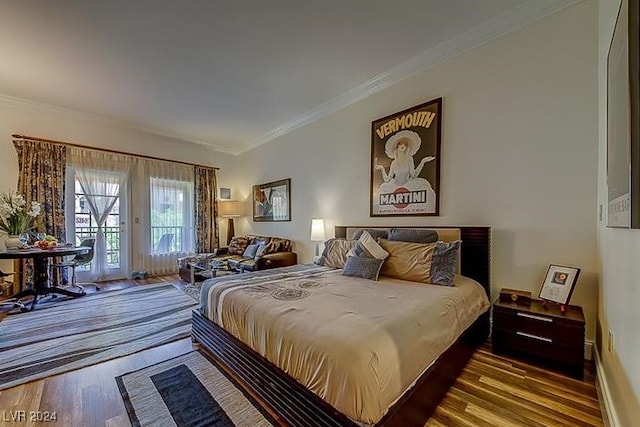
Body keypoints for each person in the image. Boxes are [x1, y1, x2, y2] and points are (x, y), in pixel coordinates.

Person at [374, 130, 436, 212]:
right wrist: (382, 168)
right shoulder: (394, 163)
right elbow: (387, 179)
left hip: (408, 184)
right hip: (394, 186)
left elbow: (413, 175)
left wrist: (422, 162)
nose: (403, 146)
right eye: (400, 144)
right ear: (397, 146)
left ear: (407, 147)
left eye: (405, 144)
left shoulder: (409, 159)